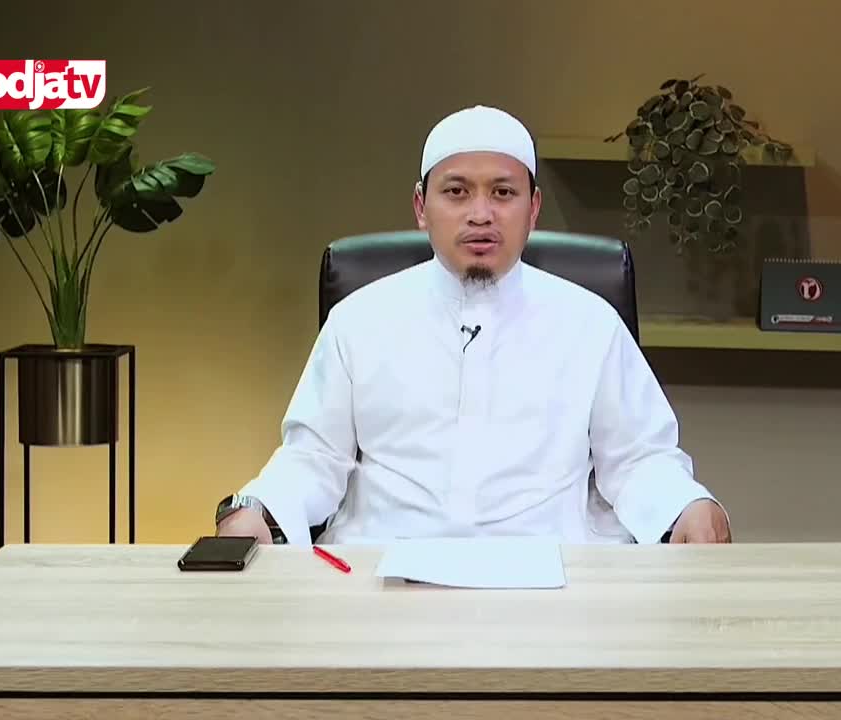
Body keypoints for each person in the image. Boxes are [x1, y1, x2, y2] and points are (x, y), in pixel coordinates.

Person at [215, 105, 731, 546]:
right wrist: (257, 510)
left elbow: (639, 459)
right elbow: (313, 458)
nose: (481, 214)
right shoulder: (358, 320)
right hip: (383, 575)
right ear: (422, 207)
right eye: (457, 192)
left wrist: (688, 505)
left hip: (553, 580)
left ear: (533, 209)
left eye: (503, 193)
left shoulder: (590, 322)